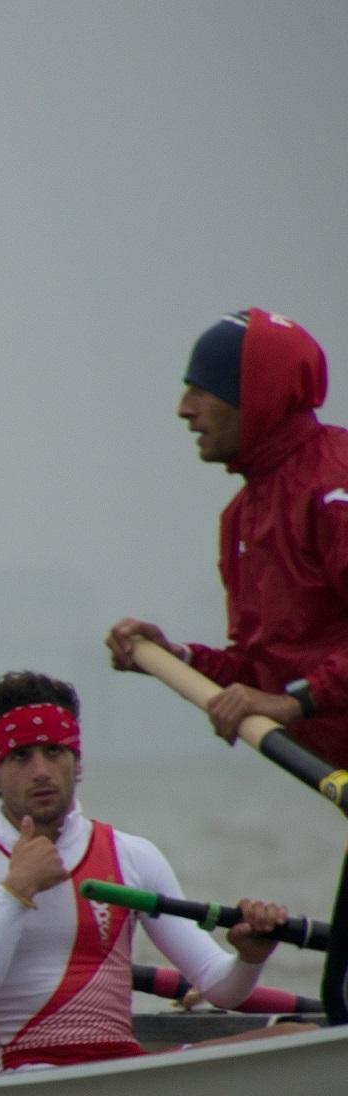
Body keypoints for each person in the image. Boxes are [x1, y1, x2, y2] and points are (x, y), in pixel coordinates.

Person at [0, 671, 292, 1070]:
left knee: (293, 1035)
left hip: (121, 1067)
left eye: (54, 751)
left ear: (77, 762)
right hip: (25, 1073)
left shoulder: (132, 854)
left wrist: (249, 959)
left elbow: (220, 988)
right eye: (21, 756)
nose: (41, 770)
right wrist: (15, 894)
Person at [105, 310, 348, 763]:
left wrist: (294, 703)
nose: (184, 409)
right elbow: (260, 674)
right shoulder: (241, 517)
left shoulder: (336, 485)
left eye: (201, 390)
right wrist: (175, 658)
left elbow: (282, 696)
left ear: (254, 395)